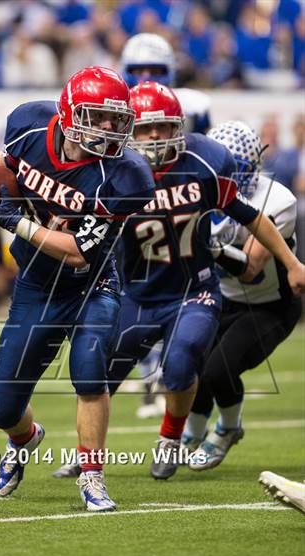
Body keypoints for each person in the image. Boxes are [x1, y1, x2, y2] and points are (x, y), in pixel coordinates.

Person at [52, 82, 305, 481]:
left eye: (164, 127)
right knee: (99, 373)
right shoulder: (112, 173)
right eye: (146, 128)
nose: (154, 137)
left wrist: (291, 263)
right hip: (136, 293)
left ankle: (171, 438)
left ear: (179, 128)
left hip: (193, 290)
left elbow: (251, 217)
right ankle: (87, 452)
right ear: (128, 130)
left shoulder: (202, 165)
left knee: (181, 363)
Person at [0, 66, 156, 512]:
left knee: (89, 372)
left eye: (116, 119)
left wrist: (12, 220)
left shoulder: (126, 176)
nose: (109, 129)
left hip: (93, 284)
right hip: (37, 284)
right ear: (68, 114)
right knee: (2, 410)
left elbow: (77, 252)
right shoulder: (29, 123)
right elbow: (8, 160)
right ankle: (24, 439)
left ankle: (92, 478)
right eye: (97, 117)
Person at [182, 121, 302, 470]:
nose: (226, 180)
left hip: (267, 306)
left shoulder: (275, 200)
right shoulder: (193, 191)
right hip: (220, 298)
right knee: (189, 361)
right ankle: (192, 431)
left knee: (219, 370)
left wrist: (206, 246)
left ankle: (228, 428)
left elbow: (249, 267)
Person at [121, 32, 212, 419]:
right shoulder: (115, 108)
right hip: (134, 216)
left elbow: (205, 165)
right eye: (137, 70)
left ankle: (181, 377)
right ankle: (148, 379)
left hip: (182, 209)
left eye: (154, 70)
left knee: (185, 300)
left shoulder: (192, 106)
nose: (145, 77)